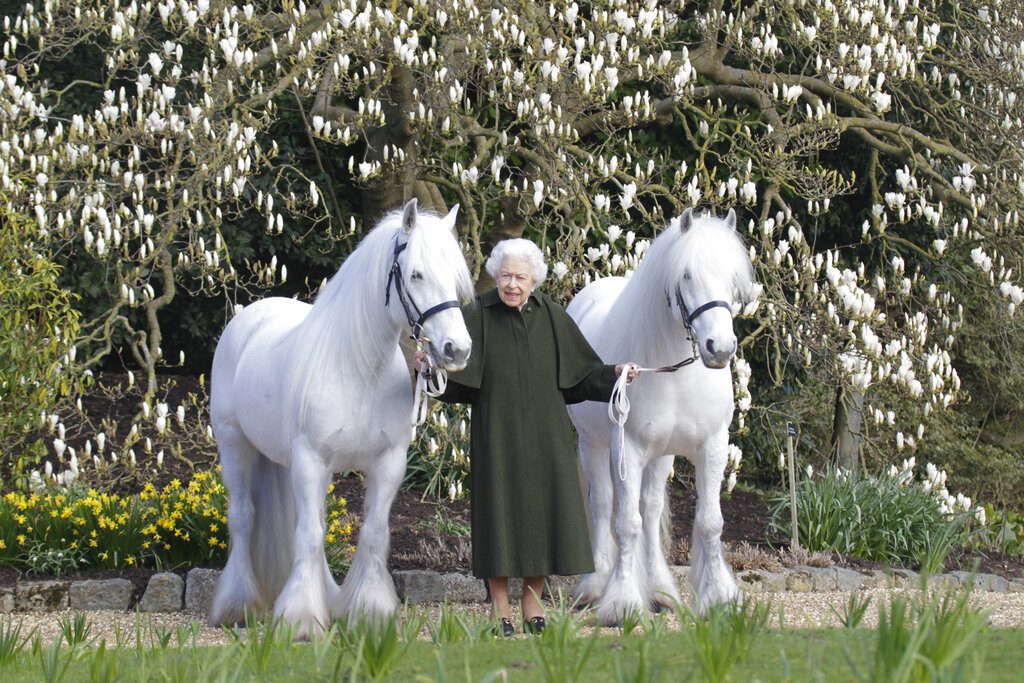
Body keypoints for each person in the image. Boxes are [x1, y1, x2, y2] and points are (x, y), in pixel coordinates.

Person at [416, 238, 638, 636]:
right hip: (495, 435)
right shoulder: (477, 315)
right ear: (495, 277)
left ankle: (532, 600)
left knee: (543, 518)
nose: (512, 285)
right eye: (505, 276)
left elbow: (583, 375)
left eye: (520, 277)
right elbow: (455, 382)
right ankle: (500, 605)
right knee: (498, 518)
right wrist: (427, 369)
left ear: (534, 280)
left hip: (546, 436)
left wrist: (617, 372)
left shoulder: (552, 316)